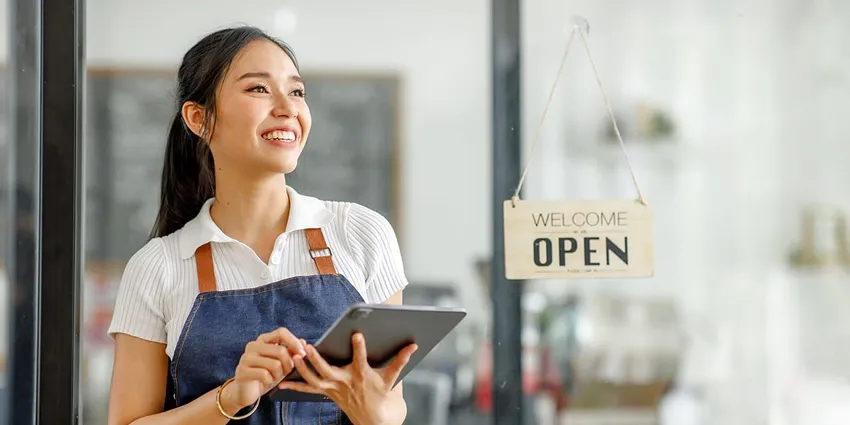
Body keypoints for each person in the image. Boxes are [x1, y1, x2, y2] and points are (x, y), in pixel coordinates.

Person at [106, 26, 416, 425]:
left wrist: (373, 412)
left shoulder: (361, 233)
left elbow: (391, 402)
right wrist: (231, 396)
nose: (288, 108)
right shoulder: (158, 267)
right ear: (199, 118)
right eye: (258, 89)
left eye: (297, 91)